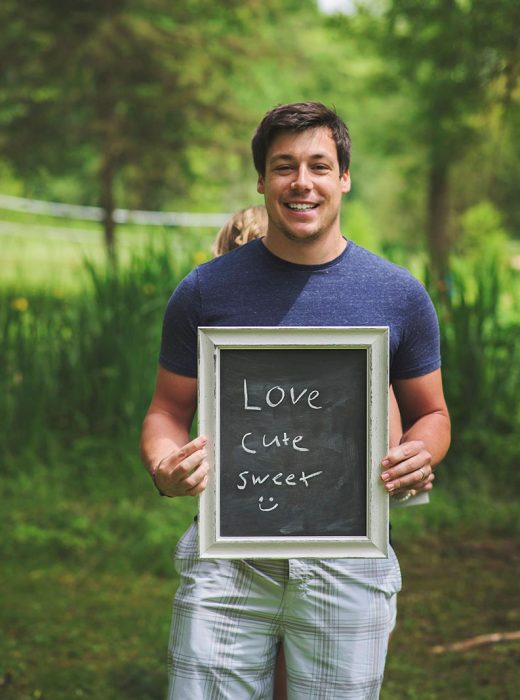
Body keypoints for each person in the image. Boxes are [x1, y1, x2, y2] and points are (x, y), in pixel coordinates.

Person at [140, 102, 450, 698]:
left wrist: (419, 451)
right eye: (284, 167)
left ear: (344, 178)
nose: (301, 182)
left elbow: (431, 414)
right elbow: (166, 411)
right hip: (226, 562)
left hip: (350, 563)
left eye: (318, 165)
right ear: (262, 181)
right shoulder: (205, 291)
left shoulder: (398, 294)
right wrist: (164, 465)